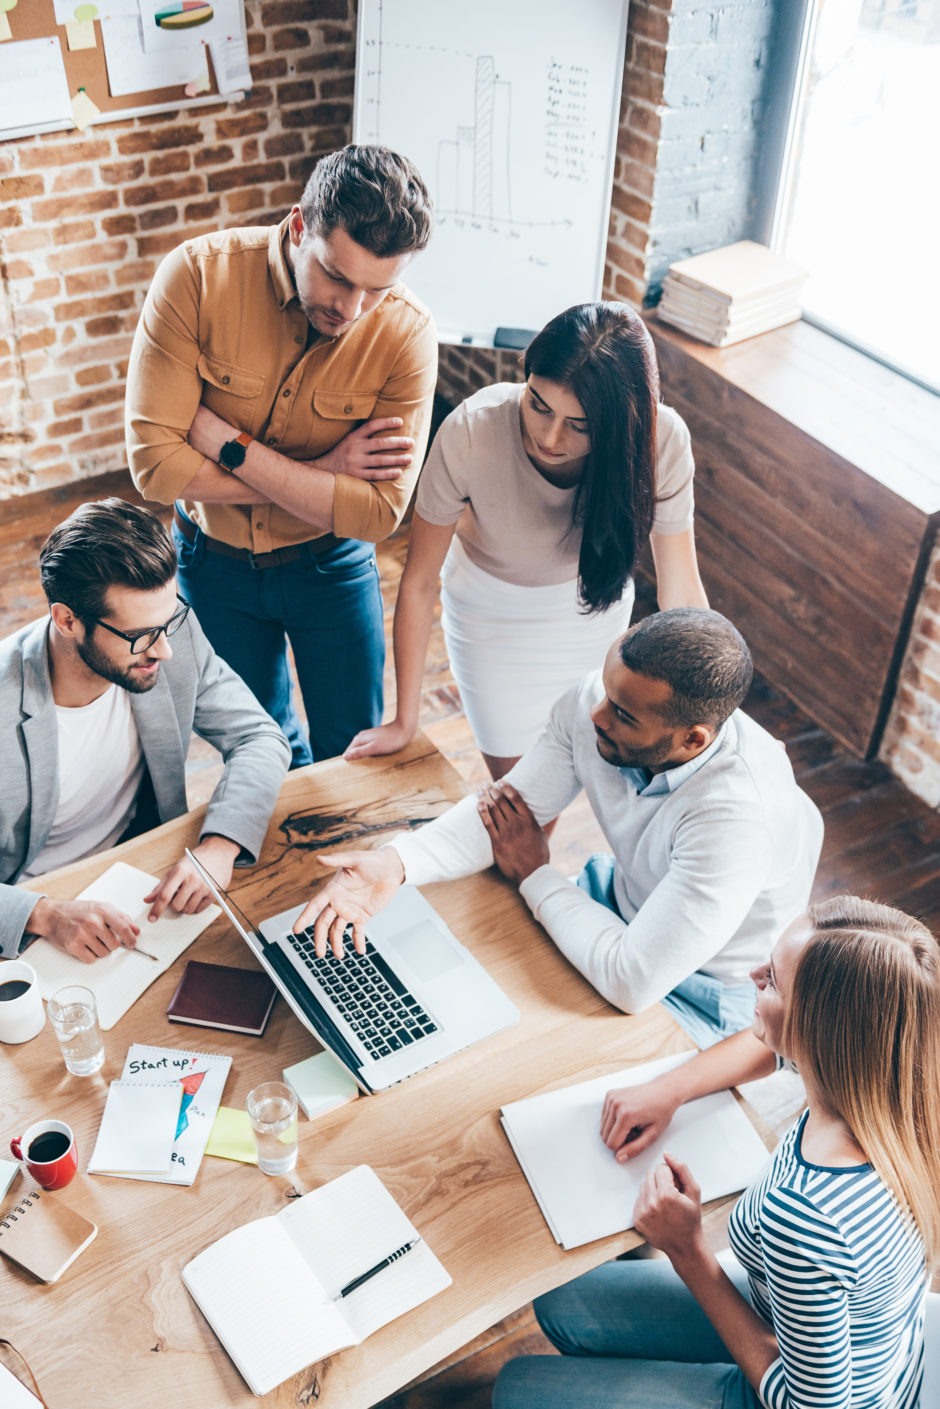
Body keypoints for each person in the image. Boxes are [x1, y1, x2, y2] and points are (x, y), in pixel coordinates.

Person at [293, 609, 824, 1047]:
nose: (595, 713)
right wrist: (395, 863)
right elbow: (508, 813)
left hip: (707, 991)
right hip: (618, 908)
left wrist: (535, 874)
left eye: (622, 714)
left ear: (693, 741)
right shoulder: (604, 701)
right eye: (605, 689)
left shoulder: (736, 820)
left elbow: (632, 980)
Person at [492, 895, 940, 1409]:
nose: (752, 975)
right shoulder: (900, 1087)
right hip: (840, 1337)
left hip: (802, 1395)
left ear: (816, 1032)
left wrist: (685, 1247)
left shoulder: (807, 1216)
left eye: (771, 979)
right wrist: (671, 1088)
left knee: (516, 1389)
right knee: (559, 1301)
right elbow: (768, 1047)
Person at [125, 144, 438, 768]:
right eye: (338, 276)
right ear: (300, 226)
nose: (351, 311)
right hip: (212, 565)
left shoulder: (406, 333)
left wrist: (222, 443)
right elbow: (155, 467)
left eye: (377, 289)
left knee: (351, 748)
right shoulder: (195, 278)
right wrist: (323, 476)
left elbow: (377, 517)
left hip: (332, 567)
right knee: (259, 744)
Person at [345, 302, 708, 780]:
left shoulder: (662, 440)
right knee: (519, 790)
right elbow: (416, 583)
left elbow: (680, 592)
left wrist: (707, 704)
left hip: (591, 618)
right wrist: (405, 720)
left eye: (579, 425)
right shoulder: (472, 429)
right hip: (490, 621)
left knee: (574, 770)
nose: (550, 437)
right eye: (538, 404)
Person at [0, 499, 290, 963]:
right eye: (140, 636)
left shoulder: (165, 629)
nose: (166, 652)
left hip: (143, 872)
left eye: (169, 620)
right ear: (68, 620)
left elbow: (258, 736)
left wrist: (219, 846)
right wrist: (44, 914)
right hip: (35, 910)